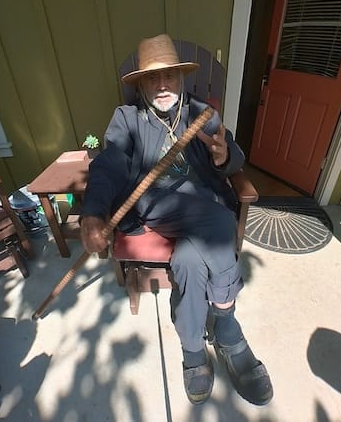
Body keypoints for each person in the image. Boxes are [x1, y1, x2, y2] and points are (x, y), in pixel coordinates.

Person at [79, 34, 273, 406]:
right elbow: (108, 165)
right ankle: (228, 328)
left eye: (170, 75)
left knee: (188, 261)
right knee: (219, 223)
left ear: (182, 77)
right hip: (158, 203)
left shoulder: (202, 112)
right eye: (153, 77)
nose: (163, 84)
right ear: (140, 84)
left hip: (205, 200)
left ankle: (193, 350)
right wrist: (93, 212)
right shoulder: (127, 119)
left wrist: (223, 156)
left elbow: (232, 153)